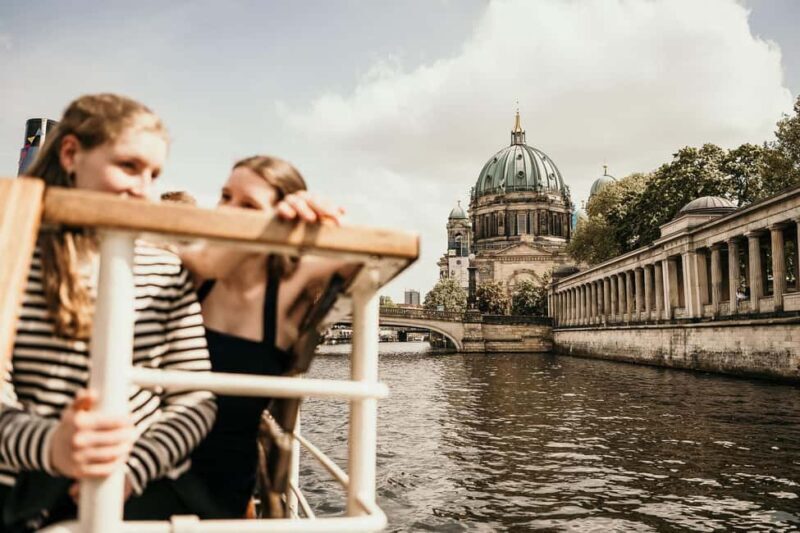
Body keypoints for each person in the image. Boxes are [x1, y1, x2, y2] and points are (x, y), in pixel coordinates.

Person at [0, 94, 216, 531]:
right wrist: (53, 447)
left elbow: (196, 397)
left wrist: (132, 470)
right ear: (71, 153)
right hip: (22, 489)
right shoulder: (12, 253)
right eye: (129, 167)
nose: (144, 190)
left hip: (137, 490)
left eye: (154, 174)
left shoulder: (164, 266)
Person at [168, 155, 347, 518]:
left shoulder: (287, 292)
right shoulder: (190, 271)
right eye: (224, 196)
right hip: (145, 471)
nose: (228, 210)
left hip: (221, 495)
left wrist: (324, 218)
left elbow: (362, 260)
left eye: (248, 204)